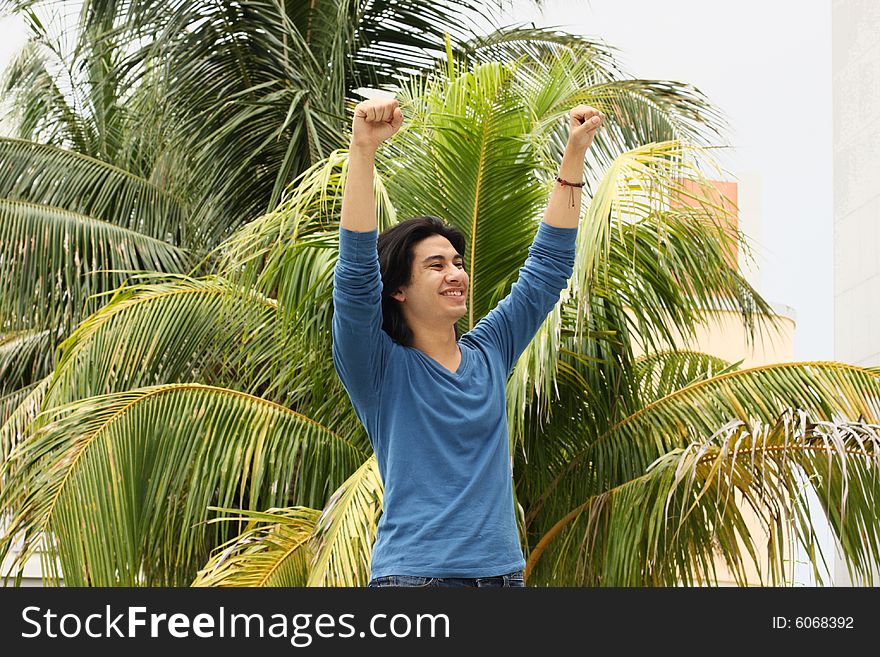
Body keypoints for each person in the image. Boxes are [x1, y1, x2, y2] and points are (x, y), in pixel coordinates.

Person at [332, 96, 604, 587]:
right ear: (397, 288)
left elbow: (547, 270)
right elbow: (354, 278)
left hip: (503, 579)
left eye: (457, 262)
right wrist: (362, 149)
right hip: (417, 582)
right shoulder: (378, 369)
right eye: (435, 265)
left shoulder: (490, 352)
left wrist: (575, 154)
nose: (455, 272)